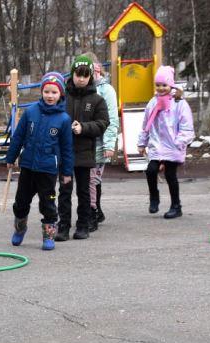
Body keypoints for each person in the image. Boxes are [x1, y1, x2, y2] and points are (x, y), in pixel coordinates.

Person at [6, 72, 74, 250]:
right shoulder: (31, 112)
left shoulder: (64, 120)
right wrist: (11, 157)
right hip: (28, 167)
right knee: (21, 202)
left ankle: (48, 235)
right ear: (42, 92)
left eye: (54, 92)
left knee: (48, 203)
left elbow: (67, 149)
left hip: (48, 170)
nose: (50, 96)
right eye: (47, 92)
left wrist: (66, 172)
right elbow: (18, 136)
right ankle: (20, 228)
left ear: (61, 95)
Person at [55, 55, 109, 241]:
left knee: (84, 191)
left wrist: (83, 128)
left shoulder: (97, 100)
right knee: (64, 191)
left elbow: (103, 123)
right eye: (78, 74)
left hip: (85, 153)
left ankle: (83, 225)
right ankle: (63, 226)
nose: (81, 79)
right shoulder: (63, 97)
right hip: (64, 153)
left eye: (85, 75)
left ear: (90, 77)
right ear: (73, 74)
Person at [138, 65, 195, 218]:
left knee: (170, 175)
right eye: (158, 85)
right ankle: (154, 197)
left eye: (164, 85)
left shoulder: (179, 103)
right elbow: (146, 124)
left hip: (173, 146)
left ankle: (176, 206)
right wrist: (142, 142)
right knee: (151, 170)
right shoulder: (153, 103)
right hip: (157, 145)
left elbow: (187, 126)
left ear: (171, 85)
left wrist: (179, 142)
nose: (161, 88)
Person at [81, 52, 119, 231]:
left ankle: (92, 213)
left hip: (99, 144)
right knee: (91, 180)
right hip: (82, 144)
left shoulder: (106, 90)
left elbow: (111, 119)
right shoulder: (79, 89)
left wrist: (109, 144)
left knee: (91, 180)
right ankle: (96, 210)